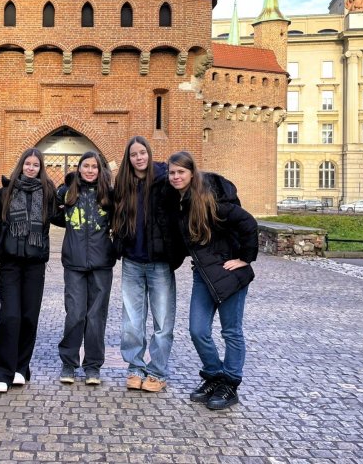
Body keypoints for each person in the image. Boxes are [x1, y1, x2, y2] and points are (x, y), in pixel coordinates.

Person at [167, 151, 258, 410]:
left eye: (180, 172)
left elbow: (247, 222)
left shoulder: (208, 199)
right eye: (172, 172)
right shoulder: (181, 201)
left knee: (231, 331)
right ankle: (215, 375)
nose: (175, 177)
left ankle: (229, 384)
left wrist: (245, 258)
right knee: (198, 330)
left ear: (192, 174)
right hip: (203, 274)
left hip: (229, 273)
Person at [112, 136, 181, 393]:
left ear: (149, 154)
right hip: (132, 261)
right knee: (132, 321)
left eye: (142, 153)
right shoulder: (124, 185)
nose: (139, 158)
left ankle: (158, 372)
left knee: (163, 322)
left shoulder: (165, 182)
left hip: (160, 263)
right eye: (134, 154)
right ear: (128, 159)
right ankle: (135, 368)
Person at [0, 148, 57, 393]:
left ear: (40, 169)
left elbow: (63, 214)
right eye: (27, 164)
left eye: (35, 165)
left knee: (29, 317)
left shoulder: (48, 194)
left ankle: (21, 367)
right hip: (10, 263)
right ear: (21, 165)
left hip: (35, 264)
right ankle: (2, 371)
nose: (31, 168)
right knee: (11, 317)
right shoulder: (6, 192)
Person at [51, 150, 115, 385]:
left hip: (101, 264)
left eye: (94, 167)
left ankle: (93, 366)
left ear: (100, 170)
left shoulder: (109, 195)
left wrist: (114, 247)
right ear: (79, 168)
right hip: (74, 263)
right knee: (75, 314)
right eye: (85, 166)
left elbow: (120, 221)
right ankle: (69, 363)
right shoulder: (67, 194)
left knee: (96, 316)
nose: (90, 170)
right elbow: (54, 216)